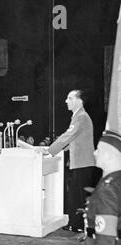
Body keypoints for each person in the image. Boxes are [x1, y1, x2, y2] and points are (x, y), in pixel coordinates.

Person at [45, 90, 95, 232]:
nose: (66, 101)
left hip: (82, 163)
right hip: (82, 163)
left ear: (79, 101)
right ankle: (76, 223)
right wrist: (57, 149)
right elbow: (72, 139)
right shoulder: (80, 116)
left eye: (70, 98)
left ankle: (77, 225)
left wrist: (50, 150)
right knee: (77, 194)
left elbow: (68, 135)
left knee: (78, 195)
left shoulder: (80, 117)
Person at [84, 131, 121, 245]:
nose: (94, 152)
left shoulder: (108, 187)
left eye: (98, 149)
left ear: (109, 153)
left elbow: (106, 235)